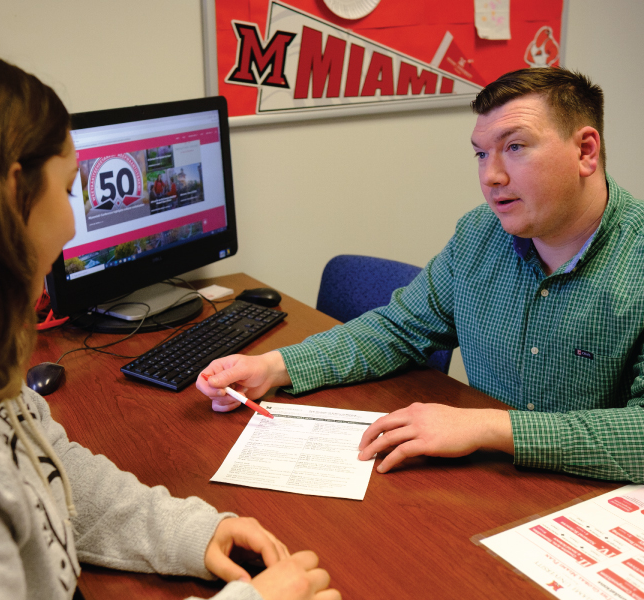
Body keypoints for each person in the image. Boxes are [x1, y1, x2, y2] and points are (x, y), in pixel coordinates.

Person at [0, 49, 340, 600]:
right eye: (68, 188)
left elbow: (44, 466)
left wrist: (193, 533)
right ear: (12, 196)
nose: (73, 221)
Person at [197, 67, 644, 484]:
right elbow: (398, 329)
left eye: (515, 147)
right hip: (488, 485)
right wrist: (273, 367)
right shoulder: (478, 234)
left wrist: (488, 426)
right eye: (481, 153)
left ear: (586, 150)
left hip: (590, 504)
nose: (491, 175)